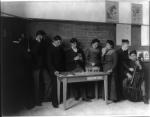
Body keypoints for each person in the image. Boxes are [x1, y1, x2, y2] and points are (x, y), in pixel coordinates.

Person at [47, 35, 65, 108]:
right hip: (53, 71)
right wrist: (54, 70)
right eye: (58, 42)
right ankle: (54, 102)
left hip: (60, 70)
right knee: (55, 86)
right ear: (53, 41)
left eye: (60, 42)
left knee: (60, 85)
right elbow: (48, 62)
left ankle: (59, 100)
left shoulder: (59, 48)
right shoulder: (49, 49)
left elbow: (61, 60)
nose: (59, 43)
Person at [31, 30, 46, 106]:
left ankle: (43, 98)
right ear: (38, 35)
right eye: (41, 36)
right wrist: (38, 42)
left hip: (42, 66)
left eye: (42, 36)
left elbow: (43, 53)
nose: (42, 37)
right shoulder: (33, 42)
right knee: (37, 85)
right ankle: (37, 101)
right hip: (36, 67)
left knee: (43, 83)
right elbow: (34, 53)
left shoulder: (42, 43)